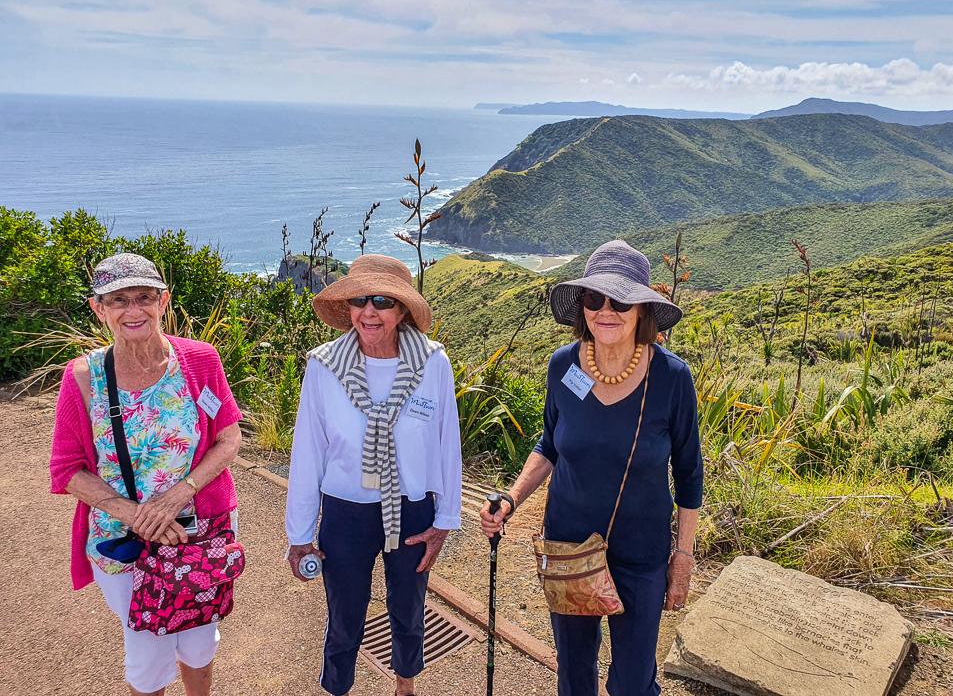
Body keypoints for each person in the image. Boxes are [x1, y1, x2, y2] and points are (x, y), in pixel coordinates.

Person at [480, 240, 703, 696]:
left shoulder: (672, 378)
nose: (606, 310)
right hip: (568, 546)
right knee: (575, 673)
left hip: (642, 552)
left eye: (620, 300)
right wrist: (511, 498)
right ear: (581, 306)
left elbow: (689, 472)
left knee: (634, 681)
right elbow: (549, 444)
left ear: (642, 310)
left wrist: (683, 556)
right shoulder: (563, 367)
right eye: (594, 298)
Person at [49, 252, 243, 696]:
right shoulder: (83, 377)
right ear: (99, 308)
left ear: (163, 301)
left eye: (144, 297)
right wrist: (137, 515)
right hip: (123, 541)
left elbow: (229, 438)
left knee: (199, 639)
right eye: (119, 300)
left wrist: (179, 494)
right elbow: (67, 470)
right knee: (147, 653)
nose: (133, 310)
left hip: (202, 529)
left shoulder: (199, 360)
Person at [285, 254, 462, 696]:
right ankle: (338, 688)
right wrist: (300, 533)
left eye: (382, 300)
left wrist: (444, 522)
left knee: (408, 608)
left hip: (412, 508)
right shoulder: (324, 365)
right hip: (346, 511)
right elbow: (308, 450)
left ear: (402, 310)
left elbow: (447, 444)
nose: (369, 312)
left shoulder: (432, 362)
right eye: (359, 300)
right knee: (344, 615)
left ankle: (406, 686)